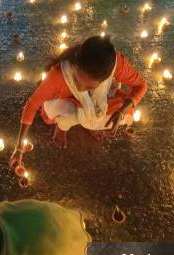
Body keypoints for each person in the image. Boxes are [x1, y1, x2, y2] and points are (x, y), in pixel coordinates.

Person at [10, 35, 147, 166]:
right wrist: (19, 148)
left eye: (89, 86)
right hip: (66, 102)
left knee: (122, 116)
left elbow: (141, 86)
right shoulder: (59, 74)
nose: (81, 89)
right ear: (75, 64)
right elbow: (32, 105)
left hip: (98, 102)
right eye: (76, 80)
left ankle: (89, 119)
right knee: (61, 112)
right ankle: (63, 127)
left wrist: (122, 111)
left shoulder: (117, 65)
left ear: (106, 78)